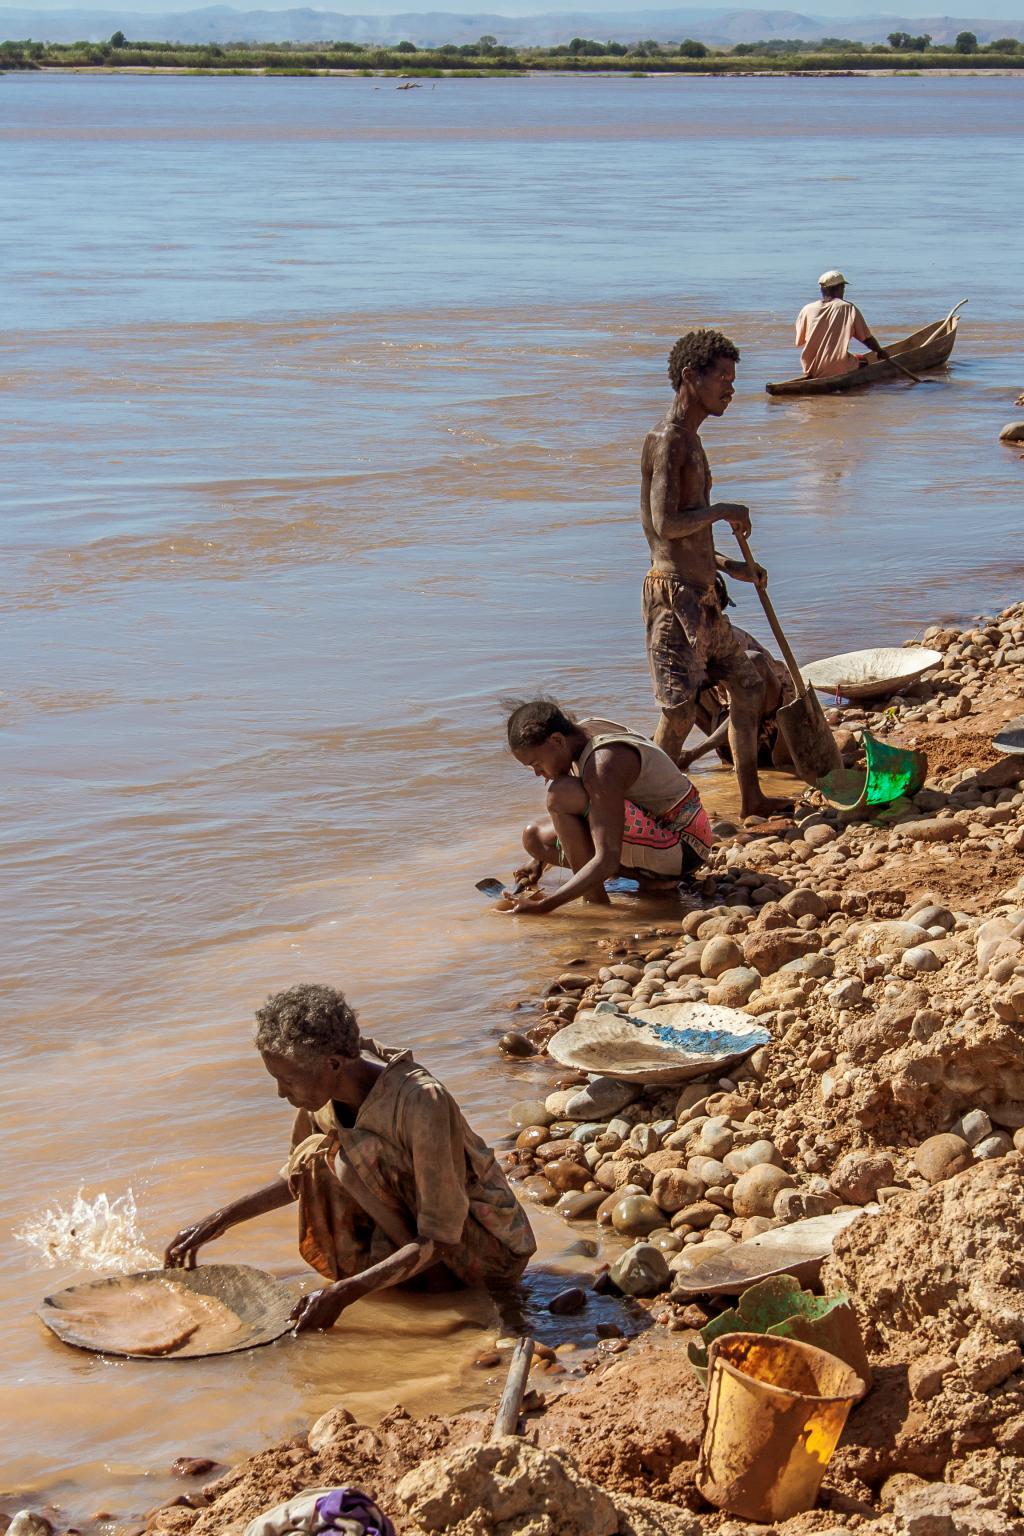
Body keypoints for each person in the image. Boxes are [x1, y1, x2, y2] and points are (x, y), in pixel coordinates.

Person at [164, 984, 535, 1330]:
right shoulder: (322, 1094)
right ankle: (409, 1282)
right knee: (321, 1155)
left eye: (288, 1081)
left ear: (334, 1064)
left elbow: (441, 1236)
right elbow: (298, 1175)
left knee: (341, 1158)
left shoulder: (420, 1101)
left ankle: (438, 1293)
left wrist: (346, 1292)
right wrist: (215, 1223)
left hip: (484, 1253)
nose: (280, 1093)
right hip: (418, 1237)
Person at [640, 328, 790, 819]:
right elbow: (663, 524)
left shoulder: (693, 441)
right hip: (673, 600)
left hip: (704, 596)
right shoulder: (668, 441)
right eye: (721, 377)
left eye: (732, 377)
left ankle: (751, 798)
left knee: (747, 687)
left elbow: (686, 534)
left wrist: (731, 566)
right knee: (679, 712)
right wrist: (724, 509)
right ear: (690, 377)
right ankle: (653, 812)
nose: (730, 387)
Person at [502, 697, 714, 915]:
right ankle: (647, 878)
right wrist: (539, 861)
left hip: (685, 847)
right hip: (679, 835)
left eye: (537, 764)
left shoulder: (602, 764)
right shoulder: (583, 733)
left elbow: (607, 859)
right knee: (535, 838)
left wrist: (544, 906)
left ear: (557, 740)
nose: (538, 773)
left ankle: (596, 904)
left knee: (560, 794)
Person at [678, 577, 795, 771]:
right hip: (737, 724)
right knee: (683, 683)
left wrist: (693, 754)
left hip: (774, 729)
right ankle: (727, 754)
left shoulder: (732, 642)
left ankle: (744, 764)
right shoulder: (694, 646)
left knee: (753, 661)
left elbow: (741, 711)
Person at [795, 270, 890, 380]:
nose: (843, 291)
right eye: (843, 288)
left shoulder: (807, 309)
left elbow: (800, 341)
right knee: (864, 361)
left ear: (822, 289)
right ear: (839, 289)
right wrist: (879, 351)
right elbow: (866, 338)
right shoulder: (848, 308)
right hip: (836, 367)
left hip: (810, 367)